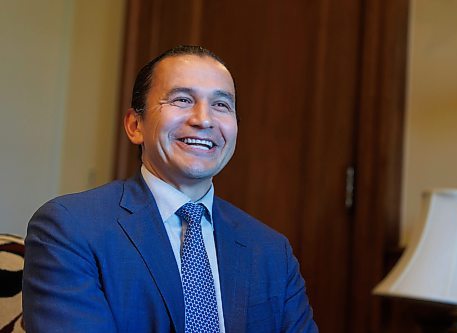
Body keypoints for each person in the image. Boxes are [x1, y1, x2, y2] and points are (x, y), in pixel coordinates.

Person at [23, 45, 318, 333]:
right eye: (182, 100)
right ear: (135, 125)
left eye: (221, 105)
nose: (203, 119)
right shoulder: (70, 229)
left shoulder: (271, 251)